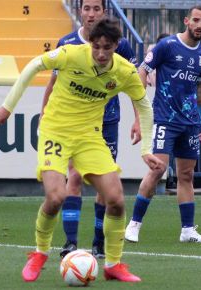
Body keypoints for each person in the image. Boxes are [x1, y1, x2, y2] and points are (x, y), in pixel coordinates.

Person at [0, 18, 164, 283]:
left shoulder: (125, 72)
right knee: (56, 196)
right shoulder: (71, 54)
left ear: (117, 46)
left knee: (115, 199)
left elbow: (143, 104)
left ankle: (113, 265)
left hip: (89, 138)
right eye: (97, 47)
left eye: (107, 47)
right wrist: (7, 107)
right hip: (55, 131)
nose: (101, 53)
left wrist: (146, 149)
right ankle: (39, 253)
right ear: (90, 43)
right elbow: (35, 65)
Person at [40, 0, 141, 260]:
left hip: (108, 120)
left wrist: (138, 119)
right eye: (87, 8)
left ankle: (98, 244)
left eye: (97, 8)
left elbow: (132, 83)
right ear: (80, 11)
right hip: (75, 125)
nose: (92, 13)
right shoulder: (68, 43)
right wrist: (44, 114)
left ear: (103, 12)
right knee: (73, 177)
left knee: (104, 189)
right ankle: (71, 243)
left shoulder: (123, 45)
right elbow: (53, 81)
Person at [124, 5, 201, 244]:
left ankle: (187, 230)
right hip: (165, 120)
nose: (199, 25)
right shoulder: (167, 46)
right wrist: (140, 113)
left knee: (186, 175)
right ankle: (134, 225)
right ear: (186, 21)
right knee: (157, 170)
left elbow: (200, 86)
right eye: (195, 20)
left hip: (190, 123)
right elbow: (142, 72)